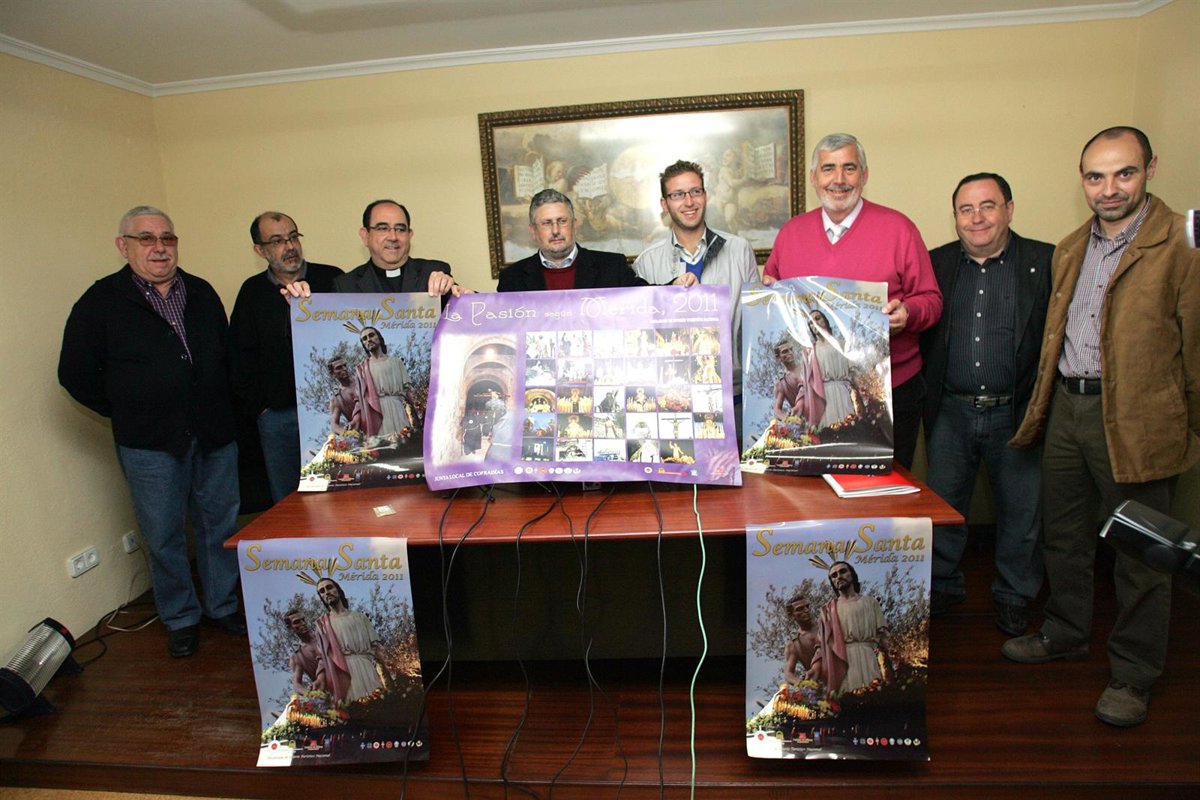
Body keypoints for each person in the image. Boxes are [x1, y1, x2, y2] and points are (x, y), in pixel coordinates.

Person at [1002, 127, 1200, 728]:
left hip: (1140, 418)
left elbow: (1196, 349)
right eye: (1096, 176)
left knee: (1141, 553)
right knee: (1064, 535)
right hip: (1068, 408)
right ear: (1082, 180)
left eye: (1124, 173)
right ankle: (1065, 631)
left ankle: (1134, 673)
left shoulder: (1182, 245)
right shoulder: (1070, 247)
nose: (1109, 188)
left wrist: (1190, 427)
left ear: (1150, 170)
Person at [58, 206, 244, 658]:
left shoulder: (200, 292)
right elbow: (74, 374)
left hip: (213, 432)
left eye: (167, 238)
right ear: (123, 246)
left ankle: (222, 605)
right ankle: (181, 617)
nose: (159, 247)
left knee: (218, 524)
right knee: (163, 534)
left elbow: (224, 356)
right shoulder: (100, 302)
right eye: (146, 238)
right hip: (150, 443)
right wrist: (129, 408)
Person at [920, 173, 1053, 636]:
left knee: (1020, 513)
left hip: (1016, 412)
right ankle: (942, 586)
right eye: (966, 209)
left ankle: (1014, 595)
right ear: (955, 216)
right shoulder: (935, 263)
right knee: (943, 507)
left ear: (1009, 210)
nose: (976, 218)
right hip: (950, 411)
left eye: (988, 206)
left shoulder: (1045, 261)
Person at [764, 133, 942, 468]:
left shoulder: (899, 229)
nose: (839, 179)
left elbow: (931, 301)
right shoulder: (790, 234)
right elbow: (773, 295)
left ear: (864, 175)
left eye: (849, 168)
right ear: (814, 177)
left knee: (880, 490)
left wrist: (908, 312)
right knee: (813, 486)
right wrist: (768, 297)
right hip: (817, 392)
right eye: (828, 169)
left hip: (890, 392)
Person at [229, 212, 342, 505]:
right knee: (288, 501)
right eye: (277, 241)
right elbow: (240, 355)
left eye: (293, 237)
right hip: (279, 418)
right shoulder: (252, 292)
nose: (289, 246)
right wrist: (261, 408)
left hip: (330, 411)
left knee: (339, 494)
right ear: (260, 250)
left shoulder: (331, 278)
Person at [632, 160, 760, 386]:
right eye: (678, 195)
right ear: (664, 204)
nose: (689, 201)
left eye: (695, 191)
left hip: (734, 391)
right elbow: (641, 332)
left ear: (705, 196)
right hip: (673, 390)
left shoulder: (739, 250)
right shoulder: (646, 262)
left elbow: (756, 321)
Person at [497, 189, 648, 291]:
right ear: (533, 231)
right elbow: (500, 319)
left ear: (575, 225)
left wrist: (667, 287)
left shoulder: (613, 267)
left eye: (562, 221)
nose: (555, 231)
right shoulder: (511, 279)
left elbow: (649, 300)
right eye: (547, 223)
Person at [808, 561, 887, 697]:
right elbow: (821, 645)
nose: (838, 576)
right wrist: (815, 667)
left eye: (843, 571)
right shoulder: (828, 610)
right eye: (834, 575)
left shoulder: (870, 602)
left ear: (852, 574)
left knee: (874, 695)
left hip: (868, 657)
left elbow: (884, 639)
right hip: (842, 662)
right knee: (847, 698)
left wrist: (890, 667)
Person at [314, 577, 386, 704]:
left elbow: (377, 649)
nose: (326, 592)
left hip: (367, 667)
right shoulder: (323, 625)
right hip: (344, 673)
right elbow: (322, 658)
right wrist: (319, 679)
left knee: (378, 703)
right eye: (322, 591)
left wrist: (388, 671)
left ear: (338, 590)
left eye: (329, 587)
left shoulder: (360, 617)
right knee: (354, 707)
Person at [353, 327, 411, 437]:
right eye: (364, 338)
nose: (368, 339)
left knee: (404, 440)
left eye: (371, 335)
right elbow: (359, 399)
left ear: (379, 338)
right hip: (377, 413)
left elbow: (408, 391)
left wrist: (420, 410)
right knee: (384, 443)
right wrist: (355, 419)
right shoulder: (362, 369)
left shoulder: (396, 362)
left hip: (397, 408)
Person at [807, 310, 855, 429]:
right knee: (827, 430)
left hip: (843, 392)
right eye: (811, 322)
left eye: (817, 318)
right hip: (823, 397)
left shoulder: (842, 344)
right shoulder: (811, 352)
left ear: (825, 320)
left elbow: (854, 373)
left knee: (849, 427)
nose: (814, 323)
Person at [285, 609, 327, 693]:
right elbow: (297, 684)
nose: (303, 623)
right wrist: (310, 694)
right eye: (297, 622)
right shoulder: (297, 656)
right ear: (290, 628)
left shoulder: (324, 636)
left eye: (303, 620)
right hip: (329, 694)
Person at [772, 337, 812, 423]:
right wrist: (789, 420)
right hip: (805, 421)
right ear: (779, 358)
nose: (790, 353)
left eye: (791, 349)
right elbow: (777, 409)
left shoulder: (807, 366)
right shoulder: (782, 383)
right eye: (785, 351)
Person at [783, 594, 819, 683]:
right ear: (792, 615)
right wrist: (802, 684)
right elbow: (788, 674)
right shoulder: (794, 643)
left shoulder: (825, 626)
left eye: (807, 607)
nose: (806, 610)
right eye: (800, 609)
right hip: (821, 685)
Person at [327, 357, 359, 434]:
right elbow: (334, 425)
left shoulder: (361, 381)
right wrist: (347, 433)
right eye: (339, 368)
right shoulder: (337, 398)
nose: (344, 369)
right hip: (363, 433)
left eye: (345, 365)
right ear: (332, 373)